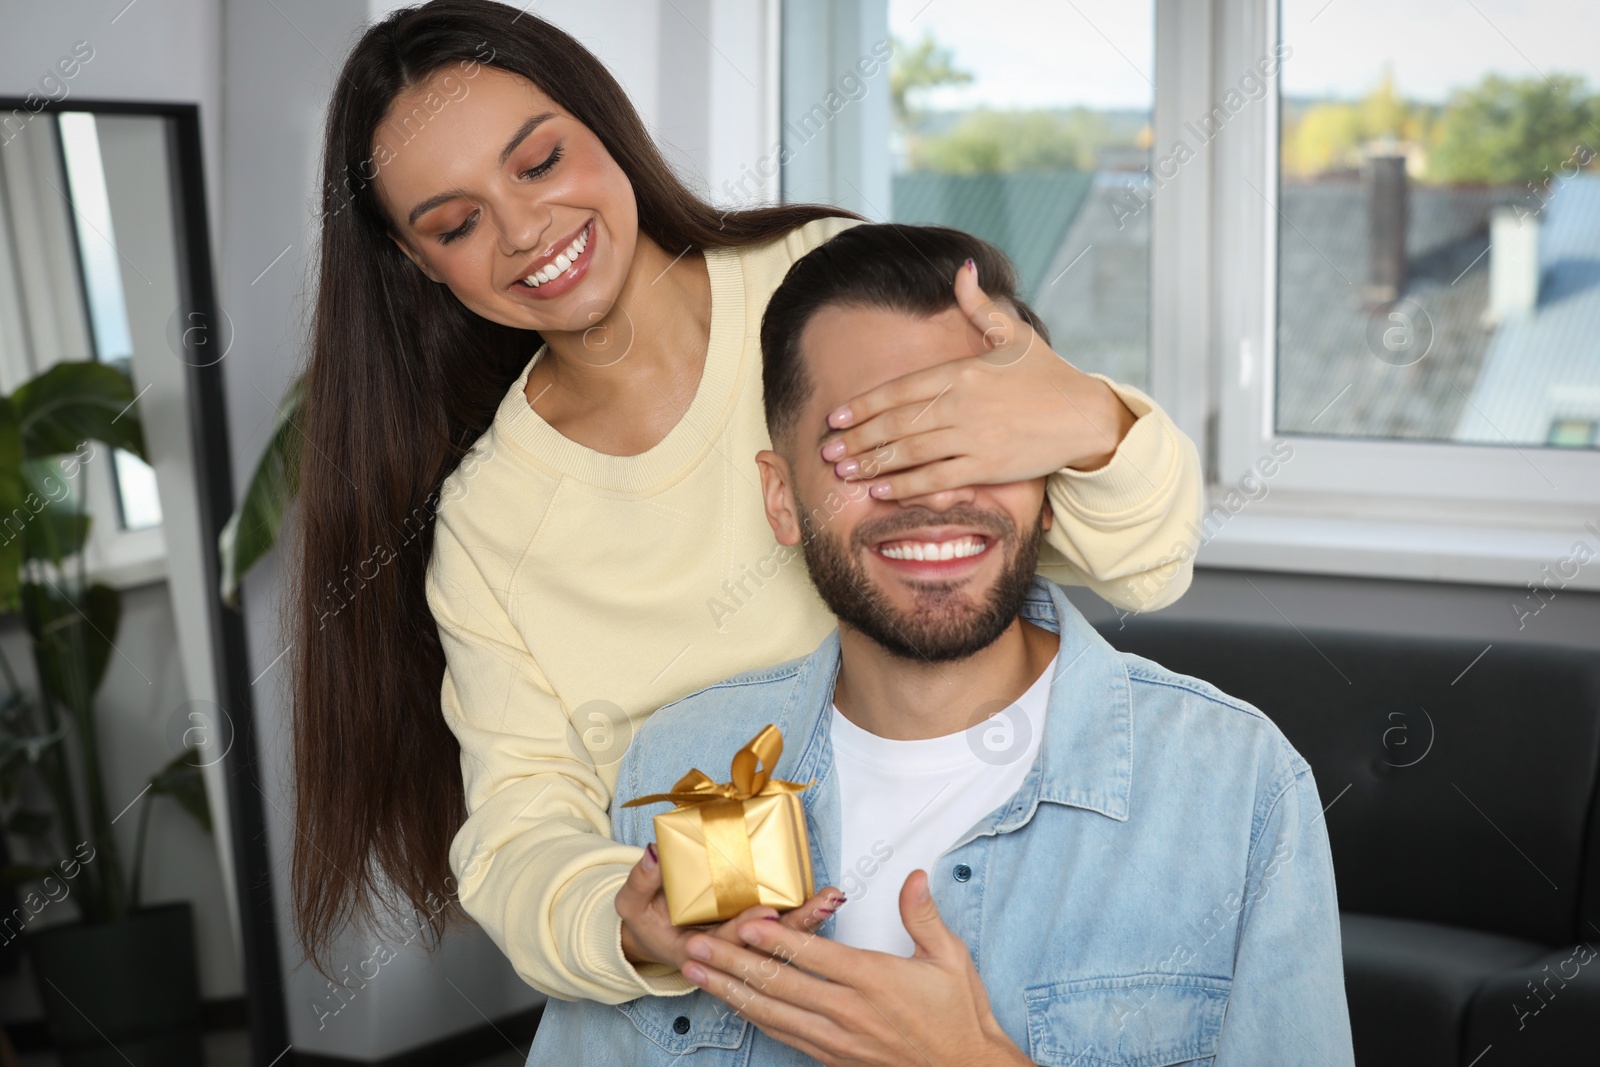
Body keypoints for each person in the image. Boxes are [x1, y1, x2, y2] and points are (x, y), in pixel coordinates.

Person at [290, 0, 1205, 1004]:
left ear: (604, 125)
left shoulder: (823, 291)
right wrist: (628, 919)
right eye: (457, 223)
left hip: (982, 927)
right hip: (715, 1007)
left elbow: (1144, 559)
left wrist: (1086, 420)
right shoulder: (490, 521)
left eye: (540, 161)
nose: (523, 229)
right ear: (420, 260)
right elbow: (519, 831)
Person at [528, 224, 1355, 1065]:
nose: (934, 490)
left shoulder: (1240, 787)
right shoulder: (678, 761)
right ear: (781, 500)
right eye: (868, 445)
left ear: (1049, 477)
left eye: (975, 438)